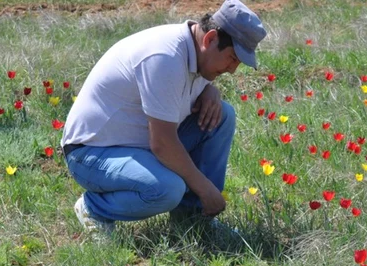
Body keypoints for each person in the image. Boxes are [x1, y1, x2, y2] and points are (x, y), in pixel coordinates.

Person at [60, 0, 266, 234]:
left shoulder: (197, 51)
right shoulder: (165, 56)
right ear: (210, 39)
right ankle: (94, 208)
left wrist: (210, 89)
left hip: (136, 146)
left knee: (222, 116)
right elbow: (162, 143)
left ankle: (191, 219)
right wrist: (205, 188)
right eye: (232, 58)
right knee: (167, 189)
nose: (232, 69)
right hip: (91, 154)